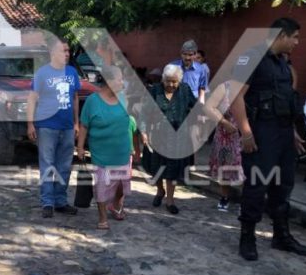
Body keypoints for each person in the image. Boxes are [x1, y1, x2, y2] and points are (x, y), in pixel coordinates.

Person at [230, 17, 306, 261]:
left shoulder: (282, 63)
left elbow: (285, 100)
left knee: (283, 185)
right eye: (294, 37)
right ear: (281, 35)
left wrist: (292, 132)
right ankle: (247, 237)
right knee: (257, 185)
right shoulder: (251, 57)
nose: (297, 42)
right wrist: (246, 132)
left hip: (283, 134)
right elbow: (235, 97)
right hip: (261, 134)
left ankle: (281, 235)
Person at [27, 36, 80, 218]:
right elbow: (32, 99)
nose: (67, 53)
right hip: (47, 126)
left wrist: (76, 123)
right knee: (47, 164)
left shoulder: (72, 72)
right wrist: (30, 124)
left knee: (64, 166)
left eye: (68, 50)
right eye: (63, 50)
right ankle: (47, 202)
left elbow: (75, 98)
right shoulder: (42, 73)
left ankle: (61, 201)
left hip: (67, 127)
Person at [77, 65, 136, 229]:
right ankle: (102, 218)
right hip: (101, 152)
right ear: (109, 81)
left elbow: (130, 122)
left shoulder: (124, 99)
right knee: (102, 186)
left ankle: (115, 205)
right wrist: (80, 147)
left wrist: (135, 143)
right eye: (119, 79)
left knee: (121, 185)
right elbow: (84, 125)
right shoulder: (92, 101)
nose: (122, 82)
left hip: (122, 151)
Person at [140, 64, 196, 215]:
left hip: (178, 138)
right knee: (156, 168)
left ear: (179, 80)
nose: (171, 85)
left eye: (174, 81)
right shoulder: (155, 91)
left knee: (172, 169)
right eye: (168, 81)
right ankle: (160, 191)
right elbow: (144, 112)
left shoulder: (185, 90)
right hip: (157, 136)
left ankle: (170, 200)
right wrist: (143, 131)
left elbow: (196, 106)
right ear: (163, 79)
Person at [205, 81, 244, 211]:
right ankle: (224, 197)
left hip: (246, 135)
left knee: (246, 168)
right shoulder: (225, 87)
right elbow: (209, 107)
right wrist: (223, 122)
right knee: (224, 167)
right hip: (225, 135)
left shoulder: (255, 87)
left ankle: (245, 200)